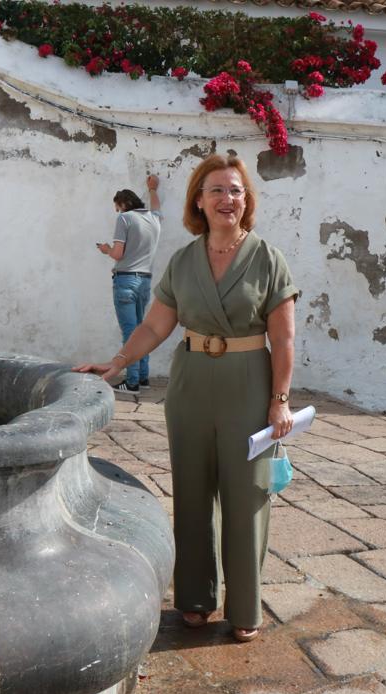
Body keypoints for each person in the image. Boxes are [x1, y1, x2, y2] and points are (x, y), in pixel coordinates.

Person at [75, 154, 299, 642]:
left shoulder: (267, 258)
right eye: (216, 190)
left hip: (248, 382)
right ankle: (196, 598)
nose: (227, 199)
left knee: (247, 496)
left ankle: (244, 606)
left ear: (247, 200)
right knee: (192, 493)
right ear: (199, 200)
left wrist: (279, 400)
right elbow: (157, 325)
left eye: (236, 190)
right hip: (191, 383)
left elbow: (283, 340)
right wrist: (116, 363)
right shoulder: (184, 260)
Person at [96, 175, 163, 394]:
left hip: (125, 279)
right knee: (141, 331)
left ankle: (132, 382)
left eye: (118, 207)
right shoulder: (154, 218)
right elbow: (156, 206)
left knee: (130, 334)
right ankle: (143, 378)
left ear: (123, 204)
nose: (118, 212)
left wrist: (106, 249)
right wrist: (153, 189)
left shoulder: (125, 219)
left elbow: (118, 253)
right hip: (144, 281)